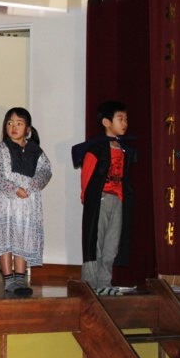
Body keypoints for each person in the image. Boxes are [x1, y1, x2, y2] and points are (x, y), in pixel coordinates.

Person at [72, 100, 135, 295]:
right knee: (95, 243)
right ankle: (90, 285)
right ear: (107, 122)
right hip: (100, 199)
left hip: (118, 200)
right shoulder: (96, 148)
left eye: (126, 119)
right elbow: (87, 175)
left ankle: (104, 283)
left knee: (111, 245)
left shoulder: (124, 149)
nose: (125, 123)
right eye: (120, 118)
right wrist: (88, 197)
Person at [0, 107, 52, 298]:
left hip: (28, 205)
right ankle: (9, 280)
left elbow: (46, 171)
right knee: (6, 239)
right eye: (10, 123)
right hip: (7, 203)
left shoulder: (36, 150)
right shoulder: (0, 149)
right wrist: (14, 189)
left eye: (19, 123)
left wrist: (32, 186)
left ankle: (20, 279)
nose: (14, 127)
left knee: (23, 238)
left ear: (28, 128)